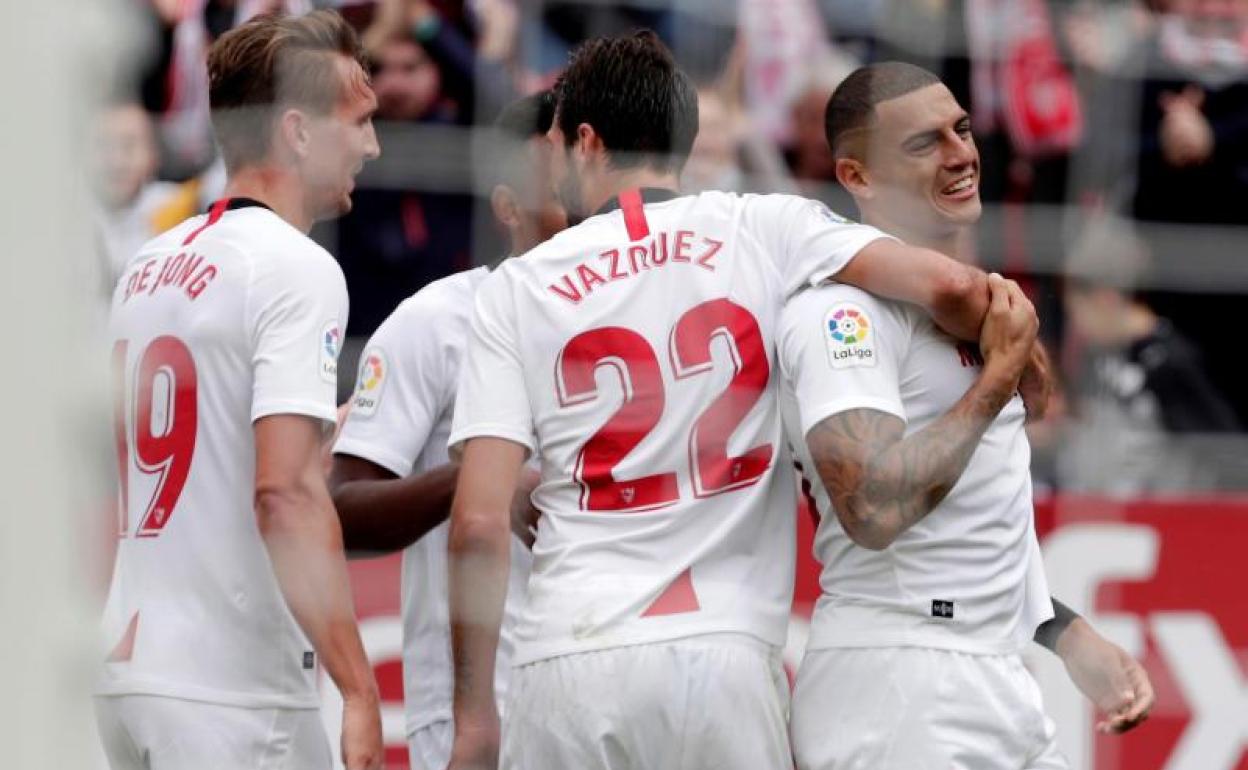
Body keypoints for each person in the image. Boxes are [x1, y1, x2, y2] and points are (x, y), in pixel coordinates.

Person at [444, 30, 1010, 770]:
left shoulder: (515, 288)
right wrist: (1011, 361)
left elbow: (479, 522)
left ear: (585, 142)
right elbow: (955, 288)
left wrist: (474, 724)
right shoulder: (765, 227)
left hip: (570, 655)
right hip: (726, 659)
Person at [780, 62, 1153, 770]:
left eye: (961, 129)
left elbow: (974, 523)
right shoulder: (840, 315)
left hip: (994, 673)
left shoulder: (979, 311)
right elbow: (872, 511)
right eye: (923, 144)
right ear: (857, 177)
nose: (960, 155)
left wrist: (1064, 633)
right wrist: (1000, 377)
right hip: (898, 688)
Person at [95, 11, 383, 770]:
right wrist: (357, 688)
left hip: (131, 669)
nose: (372, 145)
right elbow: (280, 494)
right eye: (358, 121)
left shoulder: (147, 263)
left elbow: (205, 460)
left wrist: (321, 441)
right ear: (297, 130)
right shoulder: (297, 268)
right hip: (234, 693)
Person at [327, 91, 566, 770]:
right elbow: (341, 512)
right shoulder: (437, 321)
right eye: (555, 177)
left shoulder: (642, 321)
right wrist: (481, 481)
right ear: (506, 204)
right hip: (477, 717)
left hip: (606, 703)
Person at [1061, 215, 1240, 494]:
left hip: (1167, 524)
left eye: (1075, 311)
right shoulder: (1104, 359)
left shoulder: (1168, 363)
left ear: (1104, 297)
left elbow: (1228, 454)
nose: (1076, 326)